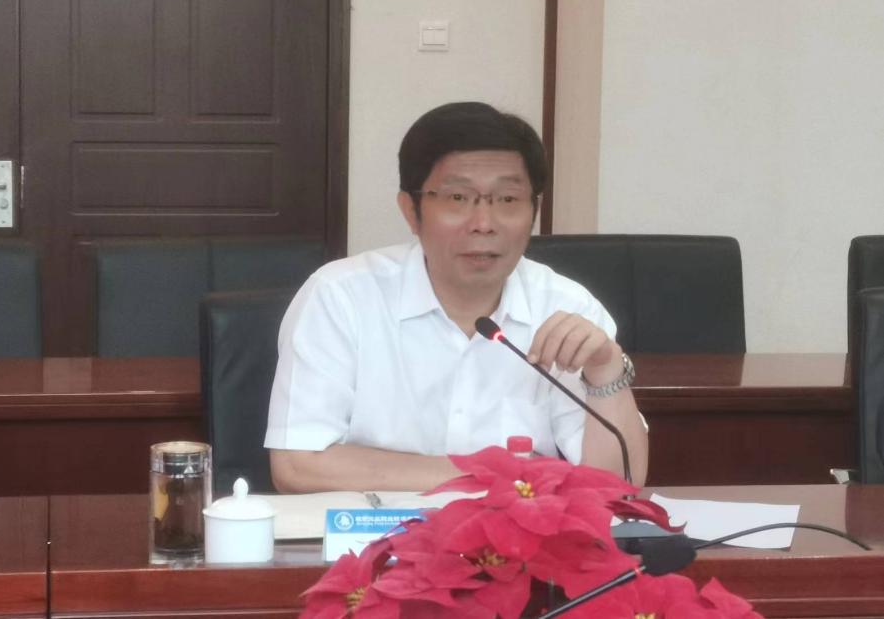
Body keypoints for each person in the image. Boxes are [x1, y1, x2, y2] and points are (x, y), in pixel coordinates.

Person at [265, 101, 647, 493]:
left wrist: (605, 369)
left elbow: (617, 486)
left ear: (534, 211)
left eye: (507, 200)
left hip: (518, 533)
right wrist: (498, 474)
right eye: (457, 198)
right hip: (376, 530)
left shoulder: (568, 308)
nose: (483, 224)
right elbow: (298, 465)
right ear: (411, 211)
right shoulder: (340, 297)